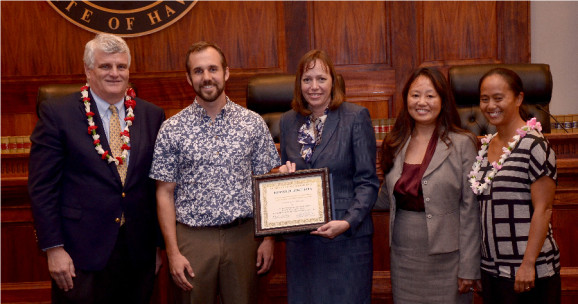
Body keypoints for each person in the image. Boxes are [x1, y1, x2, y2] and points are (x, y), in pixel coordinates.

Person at [28, 33, 165, 303]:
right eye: (105, 66)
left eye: (121, 66)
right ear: (88, 71)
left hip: (138, 252)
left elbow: (157, 185)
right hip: (80, 253)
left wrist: (159, 246)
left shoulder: (152, 114)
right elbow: (42, 188)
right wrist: (53, 248)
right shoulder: (57, 113)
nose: (115, 73)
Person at [149, 41, 281, 304]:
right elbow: (164, 193)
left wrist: (269, 238)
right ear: (188, 78)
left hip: (244, 237)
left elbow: (268, 183)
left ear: (226, 73)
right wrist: (172, 252)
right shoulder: (171, 128)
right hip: (192, 239)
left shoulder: (252, 123)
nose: (206, 77)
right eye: (198, 71)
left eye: (212, 69)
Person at [278, 49, 379, 303]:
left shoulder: (355, 117)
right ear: (298, 84)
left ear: (333, 81)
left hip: (346, 241)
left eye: (321, 79)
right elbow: (285, 174)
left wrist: (347, 222)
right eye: (307, 79)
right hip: (302, 245)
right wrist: (282, 176)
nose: (314, 86)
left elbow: (368, 182)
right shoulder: (288, 122)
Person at [375, 67, 480, 303]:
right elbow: (384, 197)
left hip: (450, 257)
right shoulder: (395, 142)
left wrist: (470, 267)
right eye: (415, 95)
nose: (422, 102)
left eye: (430, 96)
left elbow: (470, 209)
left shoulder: (463, 143)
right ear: (406, 99)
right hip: (405, 254)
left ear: (443, 101)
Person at [472, 68, 561, 304]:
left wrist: (528, 264)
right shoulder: (484, 146)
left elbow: (543, 210)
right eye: (484, 99)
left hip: (527, 273)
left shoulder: (535, 145)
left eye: (498, 98)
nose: (491, 105)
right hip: (492, 270)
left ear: (518, 98)